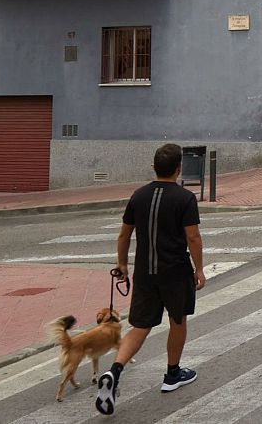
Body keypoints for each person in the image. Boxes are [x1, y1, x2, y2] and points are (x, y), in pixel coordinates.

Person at [95, 143, 206, 415]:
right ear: (178, 169)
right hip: (175, 271)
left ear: (154, 167)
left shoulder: (138, 196)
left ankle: (114, 371)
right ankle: (172, 375)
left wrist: (122, 264)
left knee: (140, 327)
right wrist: (199, 269)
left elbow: (124, 235)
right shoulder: (185, 198)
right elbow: (192, 236)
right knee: (177, 320)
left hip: (145, 272)